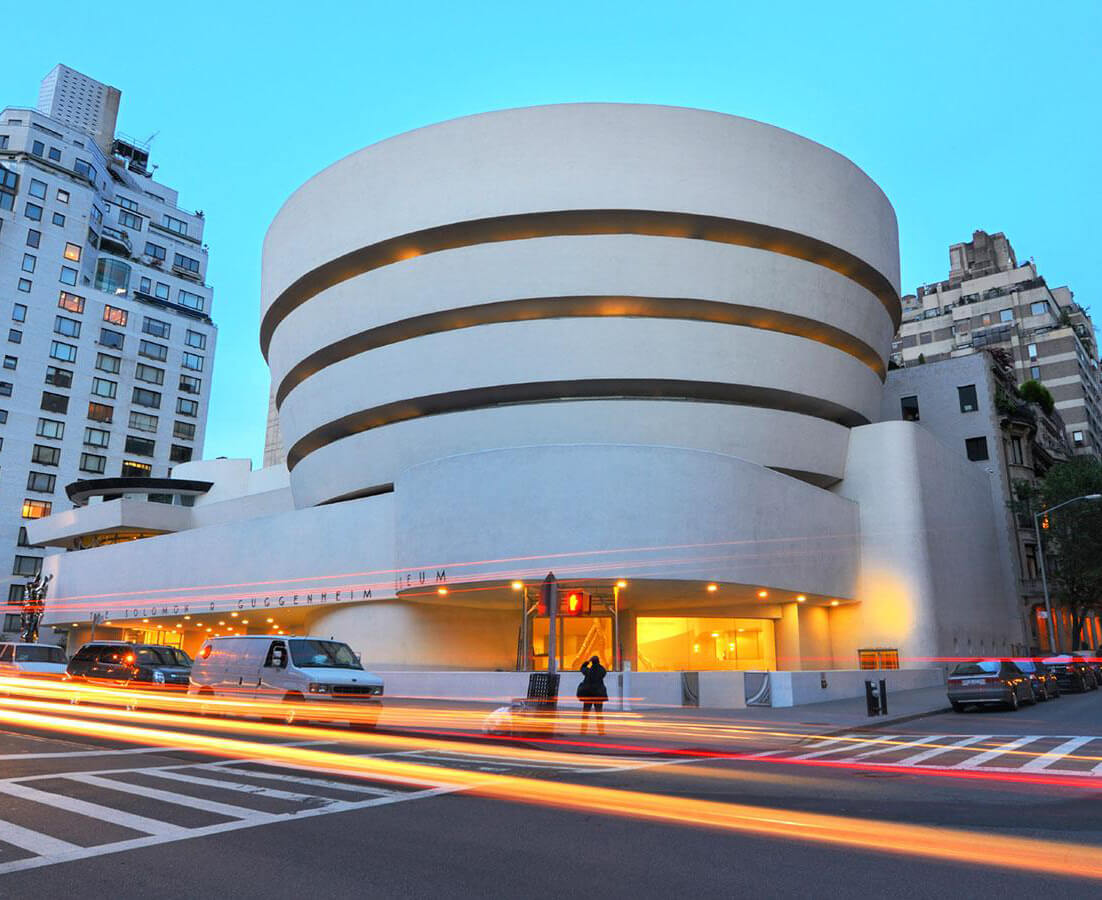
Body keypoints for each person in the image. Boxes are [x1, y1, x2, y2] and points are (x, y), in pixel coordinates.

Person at [577, 655, 608, 735]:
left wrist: (587, 662)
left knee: (585, 713)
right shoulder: (601, 671)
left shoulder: (588, 671)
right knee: (599, 713)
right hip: (598, 695)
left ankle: (583, 730)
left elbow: (582, 668)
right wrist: (598, 664)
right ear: (598, 662)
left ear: (592, 662)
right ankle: (601, 731)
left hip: (589, 695)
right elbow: (604, 671)